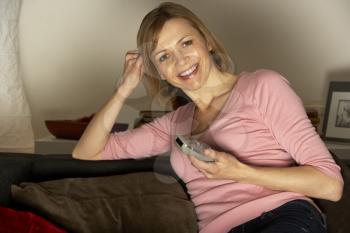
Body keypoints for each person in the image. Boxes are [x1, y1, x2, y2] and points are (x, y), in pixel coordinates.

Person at [73, 2, 344, 233]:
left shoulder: (263, 86)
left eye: (186, 43)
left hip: (283, 216)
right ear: (158, 71)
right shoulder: (174, 124)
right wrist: (123, 89)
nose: (181, 61)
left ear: (208, 42)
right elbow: (87, 152)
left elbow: (330, 185)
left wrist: (240, 172)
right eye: (164, 56)